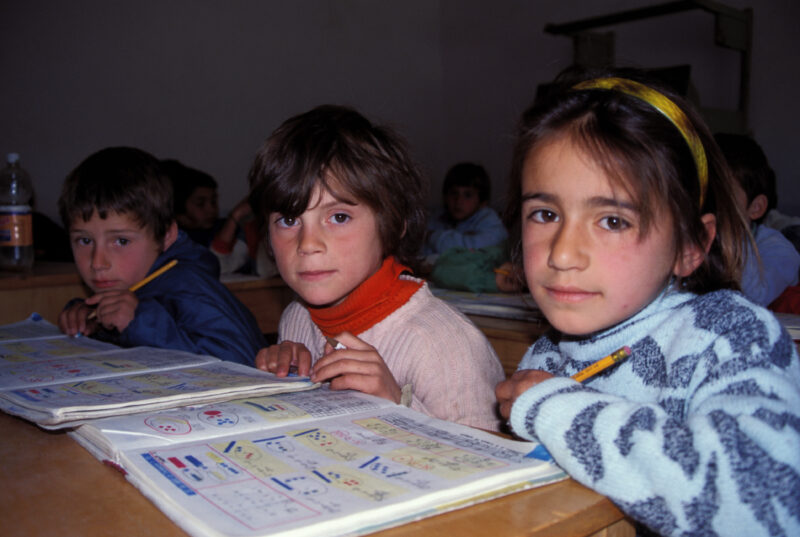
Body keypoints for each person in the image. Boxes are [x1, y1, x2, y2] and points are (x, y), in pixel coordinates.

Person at [494, 70, 800, 536]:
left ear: (690, 246)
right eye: (546, 214)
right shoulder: (549, 354)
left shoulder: (729, 336)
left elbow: (763, 499)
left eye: (613, 221)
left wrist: (553, 406)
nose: (561, 253)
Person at [249, 105, 504, 431]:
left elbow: (485, 463)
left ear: (392, 224)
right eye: (288, 220)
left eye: (338, 217)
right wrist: (283, 377)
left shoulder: (444, 346)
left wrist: (396, 403)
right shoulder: (296, 318)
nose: (307, 243)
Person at [57, 147, 265, 365]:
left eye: (121, 241)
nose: (97, 262)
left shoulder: (189, 286)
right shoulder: (132, 282)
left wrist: (139, 322)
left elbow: (243, 360)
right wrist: (92, 319)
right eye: (85, 241)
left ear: (166, 236)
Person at [714, 133, 800, 306]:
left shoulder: (779, 249)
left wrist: (729, 235)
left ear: (756, 208)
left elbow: (752, 297)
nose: (709, 204)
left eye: (722, 196)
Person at [423, 162, 508, 256]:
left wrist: (431, 236)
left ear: (482, 202)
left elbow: (469, 249)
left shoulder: (490, 221)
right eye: (453, 193)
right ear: (445, 197)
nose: (458, 201)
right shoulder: (437, 218)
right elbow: (421, 251)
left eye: (468, 195)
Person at [161, 158, 223, 247]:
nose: (211, 210)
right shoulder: (174, 239)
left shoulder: (223, 228)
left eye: (213, 202)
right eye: (200, 204)